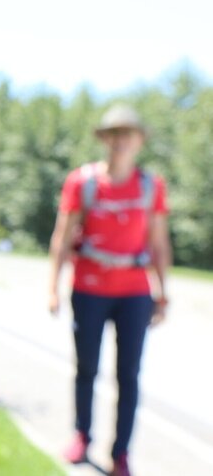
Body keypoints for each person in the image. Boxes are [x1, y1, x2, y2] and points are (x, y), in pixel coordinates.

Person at [47, 104, 171, 476]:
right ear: (105, 139)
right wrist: (51, 286)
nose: (120, 142)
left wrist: (163, 293)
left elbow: (159, 242)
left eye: (127, 135)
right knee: (86, 366)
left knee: (128, 375)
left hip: (134, 292)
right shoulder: (82, 183)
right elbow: (62, 236)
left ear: (138, 141)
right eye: (114, 134)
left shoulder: (151, 186)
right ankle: (82, 436)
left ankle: (121, 454)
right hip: (89, 287)